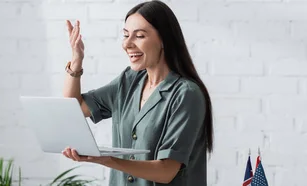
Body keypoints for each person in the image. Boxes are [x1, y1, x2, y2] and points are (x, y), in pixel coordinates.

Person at [60, 0, 213, 185]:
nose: (127, 44)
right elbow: (73, 108)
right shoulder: (129, 81)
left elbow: (167, 171)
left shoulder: (186, 94)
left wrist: (105, 159)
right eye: (126, 35)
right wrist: (76, 61)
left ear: (164, 39)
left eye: (139, 36)